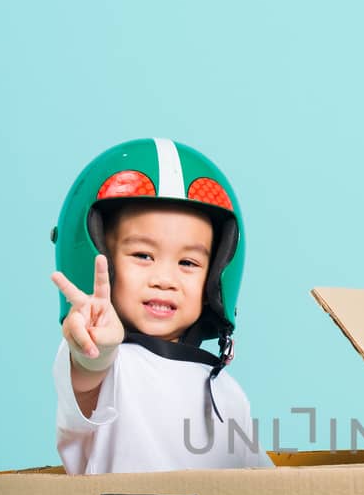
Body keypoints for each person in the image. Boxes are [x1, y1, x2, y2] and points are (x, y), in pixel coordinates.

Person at [47, 138, 273, 474]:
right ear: (102, 261)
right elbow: (86, 375)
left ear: (214, 277)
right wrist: (94, 350)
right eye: (142, 256)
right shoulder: (111, 368)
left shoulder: (226, 392)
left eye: (188, 263)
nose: (165, 279)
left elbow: (267, 488)